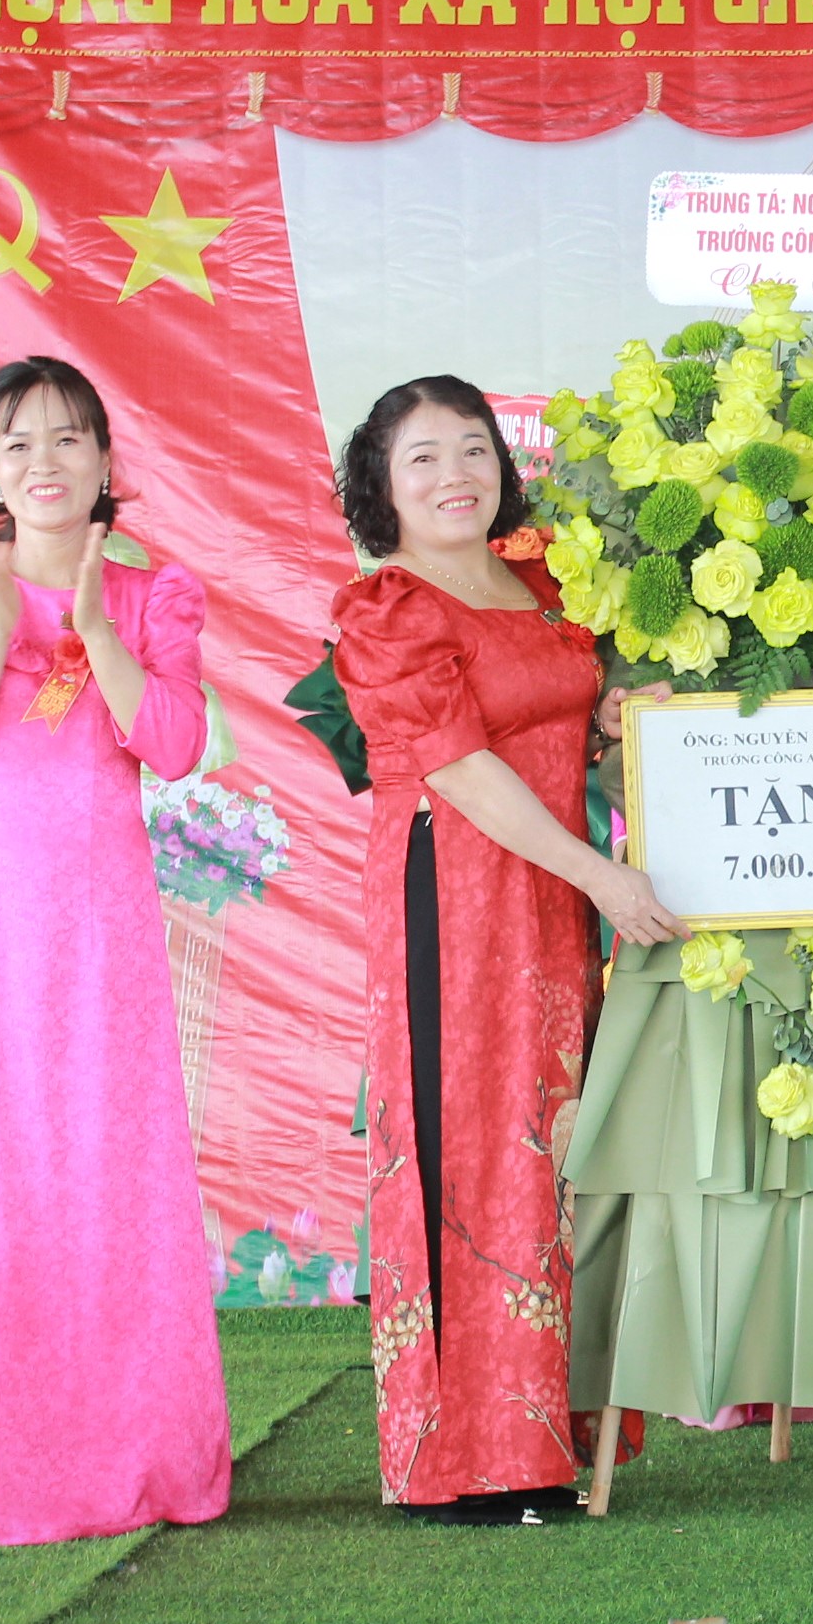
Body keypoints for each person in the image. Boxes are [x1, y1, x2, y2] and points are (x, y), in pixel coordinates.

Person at [327, 375, 686, 1524]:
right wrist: (600, 874)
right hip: (457, 899)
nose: (455, 475)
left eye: (473, 449)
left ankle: (542, 1439)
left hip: (552, 898)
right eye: (423, 457)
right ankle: (461, 1461)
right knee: (469, 1149)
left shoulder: (536, 582)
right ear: (381, 484)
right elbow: (461, 768)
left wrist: (610, 721)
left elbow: (553, 717)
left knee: (551, 1146)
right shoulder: (385, 607)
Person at [0, 356, 232, 1545]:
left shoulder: (153, 596)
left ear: (105, 462)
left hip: (101, 940)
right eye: (19, 443)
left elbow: (173, 743)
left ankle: (148, 1463)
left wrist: (91, 627)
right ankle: (1, 1480)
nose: (45, 461)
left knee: (114, 1190)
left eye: (69, 438)